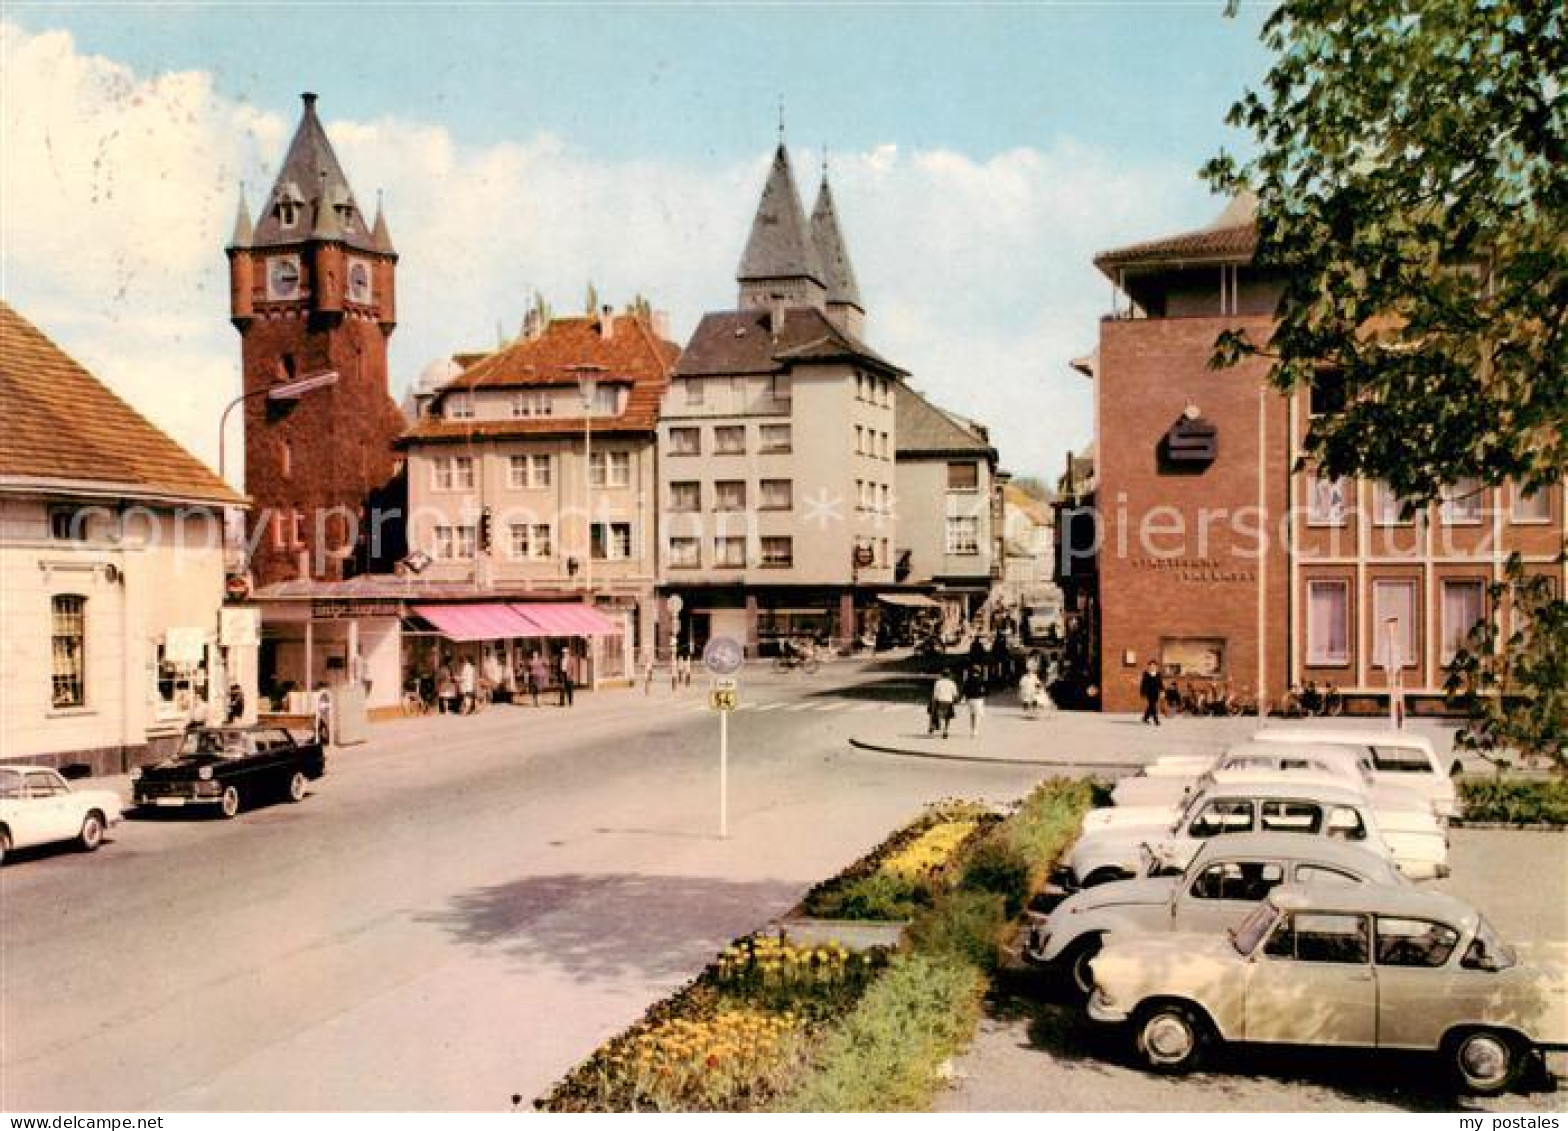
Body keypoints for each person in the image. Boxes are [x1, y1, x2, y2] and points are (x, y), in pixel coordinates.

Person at [930, 669, 960, 739]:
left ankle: (934, 725)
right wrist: (956, 700)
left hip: (940, 701)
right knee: (947, 717)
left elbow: (935, 694)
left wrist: (933, 702)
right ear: (949, 675)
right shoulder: (952, 683)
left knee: (935, 713)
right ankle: (945, 731)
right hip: (949, 701)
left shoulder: (938, 682)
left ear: (942, 675)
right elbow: (955, 694)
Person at [962, 664, 987, 738]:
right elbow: (984, 689)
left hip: (970, 699)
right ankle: (975, 731)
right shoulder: (981, 679)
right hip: (978, 698)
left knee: (972, 715)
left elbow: (965, 689)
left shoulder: (968, 679)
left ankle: (972, 729)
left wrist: (965, 696)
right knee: (977, 715)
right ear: (979, 671)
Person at [1140, 661, 1164, 726]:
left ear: (1156, 666)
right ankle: (1156, 720)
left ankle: (1145, 718)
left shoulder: (1158, 674)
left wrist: (1162, 691)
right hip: (1149, 692)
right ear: (1149, 666)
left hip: (1156, 692)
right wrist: (1142, 693)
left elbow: (1160, 683)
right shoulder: (1146, 673)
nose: (1152, 667)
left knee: (1151, 706)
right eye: (1151, 665)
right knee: (1152, 705)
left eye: (1154, 665)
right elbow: (1143, 683)